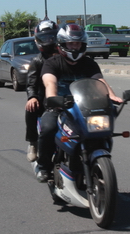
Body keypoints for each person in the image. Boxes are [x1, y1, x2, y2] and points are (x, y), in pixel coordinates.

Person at [35, 23, 122, 182]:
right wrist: (53, 98)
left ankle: (95, 160)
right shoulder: (52, 63)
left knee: (103, 127)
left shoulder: (89, 63)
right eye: (71, 43)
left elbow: (100, 81)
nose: (75, 47)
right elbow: (50, 83)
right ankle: (43, 167)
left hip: (83, 107)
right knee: (48, 128)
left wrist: (112, 96)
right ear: (62, 44)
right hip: (59, 107)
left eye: (78, 43)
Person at [24, 19, 59, 162]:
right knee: (30, 108)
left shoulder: (65, 57)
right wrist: (32, 97)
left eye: (52, 36)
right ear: (38, 40)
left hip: (66, 97)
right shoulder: (37, 61)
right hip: (44, 99)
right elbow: (31, 84)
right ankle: (33, 143)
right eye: (45, 38)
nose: (49, 41)